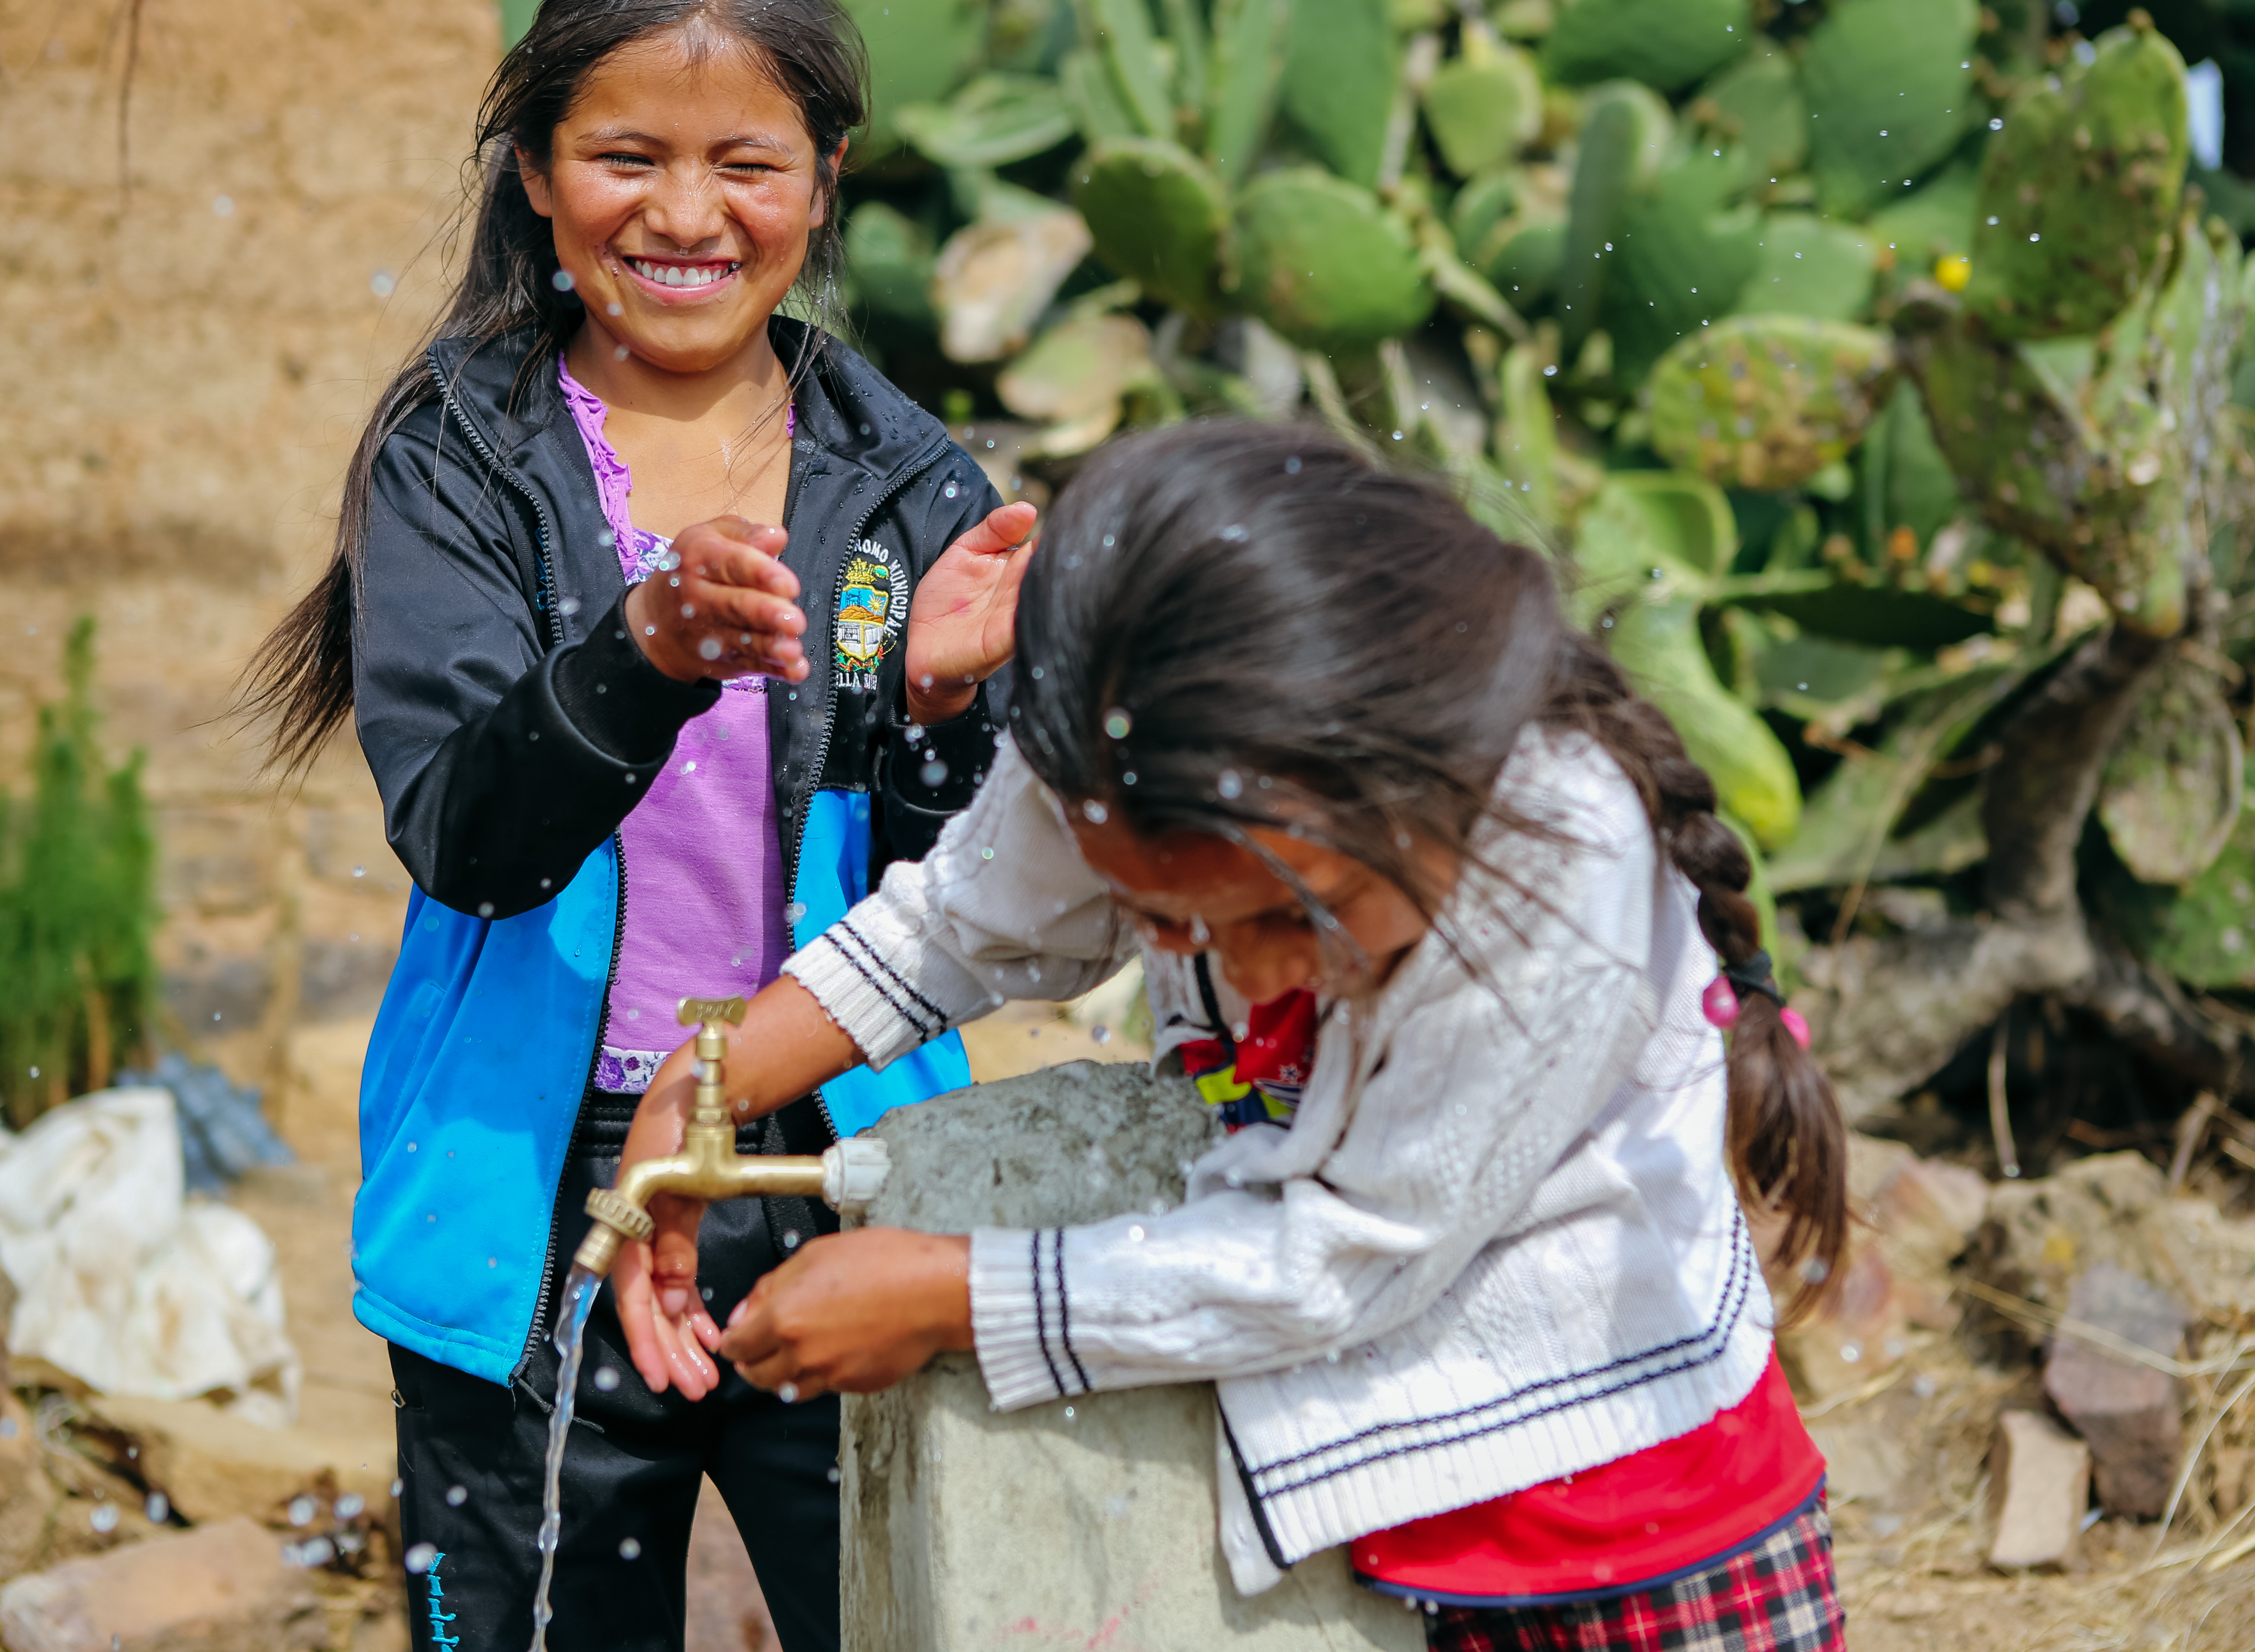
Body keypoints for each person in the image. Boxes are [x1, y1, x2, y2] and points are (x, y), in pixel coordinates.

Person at [609, 422, 1853, 1651]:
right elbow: (965, 916)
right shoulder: (1132, 748)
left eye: (1286, 913)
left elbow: (1342, 1262)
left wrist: (954, 1293)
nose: (1242, 972)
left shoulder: (1553, 869)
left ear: (1417, 787)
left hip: (1627, 1539)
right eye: (1165, 920)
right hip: (1353, 1504)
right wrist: (703, 1088)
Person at [242, 0, 1033, 1652]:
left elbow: (967, 893)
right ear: (534, 173)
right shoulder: (460, 458)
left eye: (745, 163)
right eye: (626, 158)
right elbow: (465, 836)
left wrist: (947, 711)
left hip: (833, 1168)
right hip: (538, 1196)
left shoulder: (905, 479)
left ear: (823, 184)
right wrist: (646, 652)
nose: (686, 215)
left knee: (893, 1618)